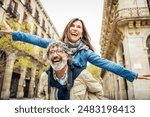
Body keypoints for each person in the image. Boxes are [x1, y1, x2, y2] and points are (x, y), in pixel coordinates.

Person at [0, 18, 150, 81]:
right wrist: (14, 33)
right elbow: (35, 39)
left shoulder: (85, 52)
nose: (75, 28)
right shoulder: (56, 44)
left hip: (77, 94)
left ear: (81, 33)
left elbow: (107, 64)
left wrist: (134, 75)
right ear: (67, 29)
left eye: (78, 27)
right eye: (72, 25)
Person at [38, 40, 104, 100]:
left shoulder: (82, 74)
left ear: (67, 56)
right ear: (48, 57)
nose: (55, 55)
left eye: (59, 51)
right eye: (51, 52)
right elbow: (42, 96)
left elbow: (98, 92)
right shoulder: (45, 76)